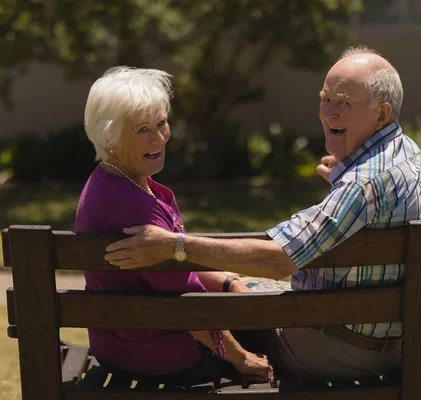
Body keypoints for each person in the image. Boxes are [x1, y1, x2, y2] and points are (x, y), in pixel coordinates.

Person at [102, 46, 421, 381]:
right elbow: (374, 198)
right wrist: (341, 175)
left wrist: (174, 245)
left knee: (217, 301)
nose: (329, 113)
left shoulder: (361, 186)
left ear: (381, 113)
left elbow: (277, 260)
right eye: (326, 98)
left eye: (344, 103)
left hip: (328, 350)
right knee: (238, 287)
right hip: (390, 345)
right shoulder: (407, 157)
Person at [76, 66, 274, 386]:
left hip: (117, 345)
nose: (158, 137)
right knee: (271, 341)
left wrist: (226, 283)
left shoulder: (109, 180)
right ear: (109, 138)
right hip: (163, 357)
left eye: (161, 123)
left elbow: (175, 267)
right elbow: (188, 305)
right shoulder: (135, 207)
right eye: (141, 129)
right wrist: (243, 359)